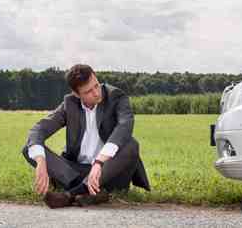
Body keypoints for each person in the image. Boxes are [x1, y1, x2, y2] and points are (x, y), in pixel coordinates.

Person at [21, 64, 151, 208]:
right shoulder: (69, 104)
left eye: (96, 85)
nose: (96, 93)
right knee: (29, 148)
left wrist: (99, 162)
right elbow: (38, 130)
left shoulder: (116, 97)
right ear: (77, 94)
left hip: (110, 170)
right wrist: (40, 161)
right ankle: (93, 194)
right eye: (88, 91)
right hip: (77, 173)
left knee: (132, 144)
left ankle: (70, 194)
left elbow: (125, 126)